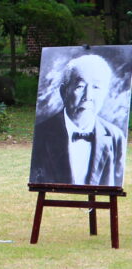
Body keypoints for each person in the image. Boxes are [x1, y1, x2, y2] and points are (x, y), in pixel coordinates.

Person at [30, 54, 126, 186]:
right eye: (80, 86)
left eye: (96, 87)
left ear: (105, 93)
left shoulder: (116, 137)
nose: (88, 96)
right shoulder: (42, 134)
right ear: (64, 92)